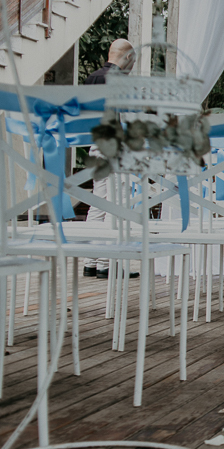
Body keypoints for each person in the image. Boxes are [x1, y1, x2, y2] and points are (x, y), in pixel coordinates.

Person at [82, 40, 137, 278]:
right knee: (117, 202)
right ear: (127, 58)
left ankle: (90, 260)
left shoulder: (90, 79)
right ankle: (108, 263)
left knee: (98, 202)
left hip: (96, 146)